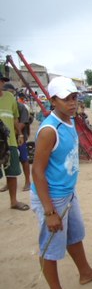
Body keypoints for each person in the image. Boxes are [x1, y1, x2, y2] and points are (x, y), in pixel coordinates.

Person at [30, 76, 92, 289]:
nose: (73, 102)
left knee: (75, 234)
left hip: (68, 193)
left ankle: (85, 272)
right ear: (53, 100)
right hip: (52, 197)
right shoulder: (50, 130)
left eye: (75, 97)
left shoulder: (70, 121)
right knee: (51, 246)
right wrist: (49, 211)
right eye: (67, 99)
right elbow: (37, 171)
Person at [0, 72, 29, 211]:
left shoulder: (10, 97)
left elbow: (15, 119)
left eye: (2, 81)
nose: (1, 83)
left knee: (12, 172)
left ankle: (13, 201)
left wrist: (20, 135)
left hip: (10, 141)